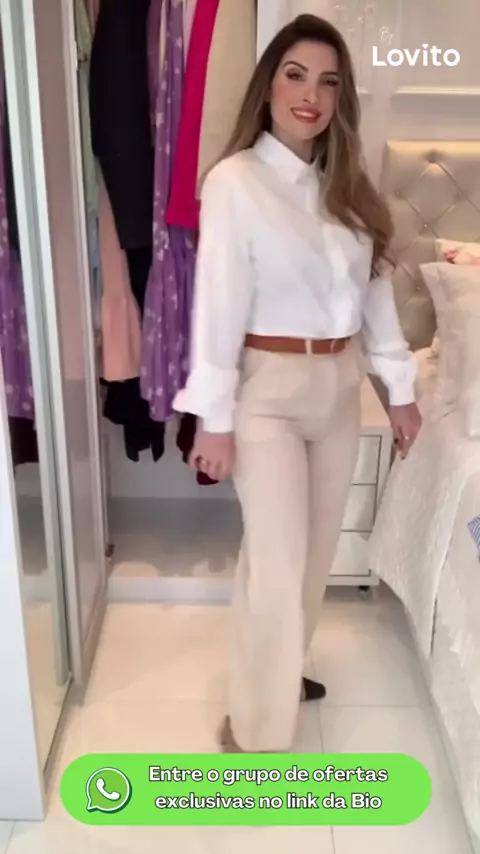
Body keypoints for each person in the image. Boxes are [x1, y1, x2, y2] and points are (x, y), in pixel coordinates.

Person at [174, 14, 422, 752]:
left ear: (340, 98)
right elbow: (217, 306)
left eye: (328, 82)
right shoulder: (235, 182)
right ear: (269, 86)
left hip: (338, 386)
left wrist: (401, 393)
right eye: (295, 75)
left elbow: (375, 298)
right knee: (278, 566)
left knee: (311, 558)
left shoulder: (349, 188)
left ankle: (281, 671)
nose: (310, 95)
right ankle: (256, 728)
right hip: (268, 393)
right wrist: (214, 418)